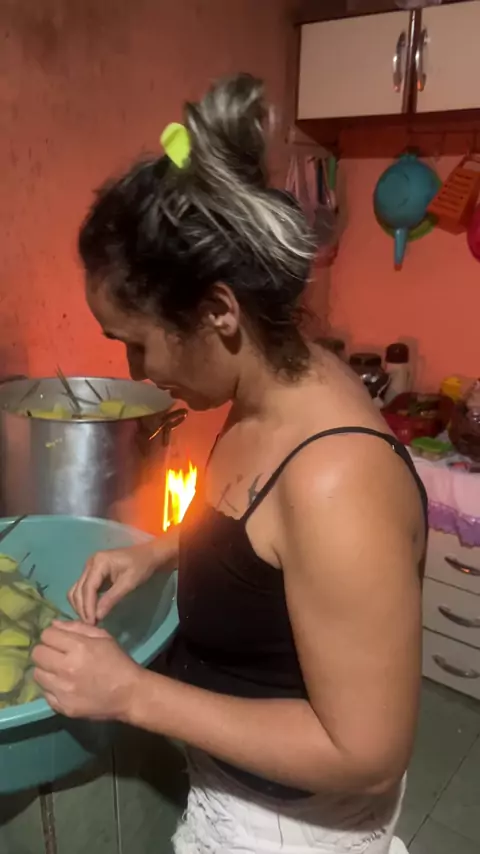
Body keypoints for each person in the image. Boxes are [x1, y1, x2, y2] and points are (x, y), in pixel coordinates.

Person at [33, 74, 425, 854]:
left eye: (136, 343)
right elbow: (265, 536)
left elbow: (368, 753)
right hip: (238, 793)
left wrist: (133, 694)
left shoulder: (337, 482)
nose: (138, 372)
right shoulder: (276, 378)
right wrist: (160, 552)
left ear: (218, 311)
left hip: (289, 832)